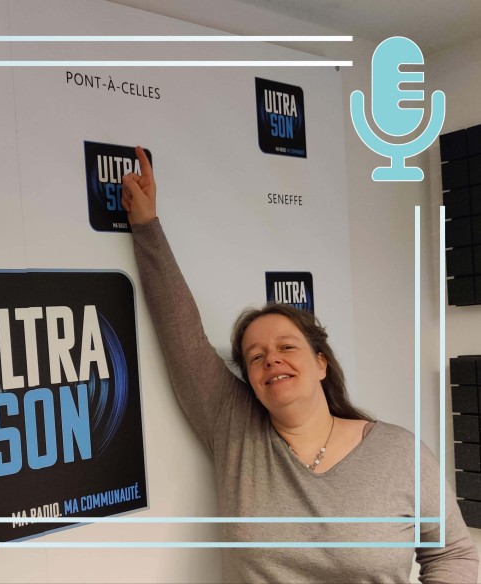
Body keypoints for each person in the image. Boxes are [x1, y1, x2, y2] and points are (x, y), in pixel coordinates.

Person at [121, 146, 478, 583]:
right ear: (251, 379)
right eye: (256, 356)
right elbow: (183, 339)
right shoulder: (235, 431)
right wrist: (146, 226)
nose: (271, 358)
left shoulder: (400, 453)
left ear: (321, 363)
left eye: (287, 347)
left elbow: (453, 554)